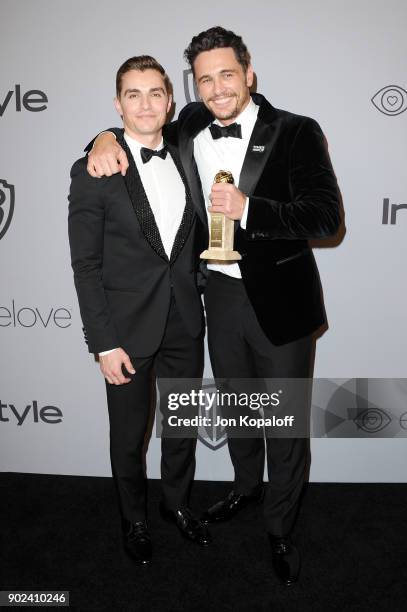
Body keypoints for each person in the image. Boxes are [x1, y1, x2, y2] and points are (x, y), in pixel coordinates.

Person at [86, 27, 341, 585]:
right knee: (239, 408)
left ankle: (280, 528)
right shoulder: (193, 125)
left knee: (283, 424)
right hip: (217, 297)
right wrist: (101, 139)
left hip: (280, 300)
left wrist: (252, 208)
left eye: (228, 74)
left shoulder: (296, 131)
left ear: (249, 74)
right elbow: (139, 126)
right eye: (206, 79)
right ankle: (246, 487)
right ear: (194, 87)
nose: (218, 87)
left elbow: (325, 218)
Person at [68, 55, 211, 566]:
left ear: (170, 101)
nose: (146, 104)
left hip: (186, 324)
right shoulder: (94, 169)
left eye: (155, 93)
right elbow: (85, 266)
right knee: (128, 439)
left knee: (181, 428)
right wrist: (103, 343)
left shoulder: (185, 149)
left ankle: (178, 505)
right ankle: (134, 519)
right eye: (133, 94)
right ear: (117, 104)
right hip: (124, 332)